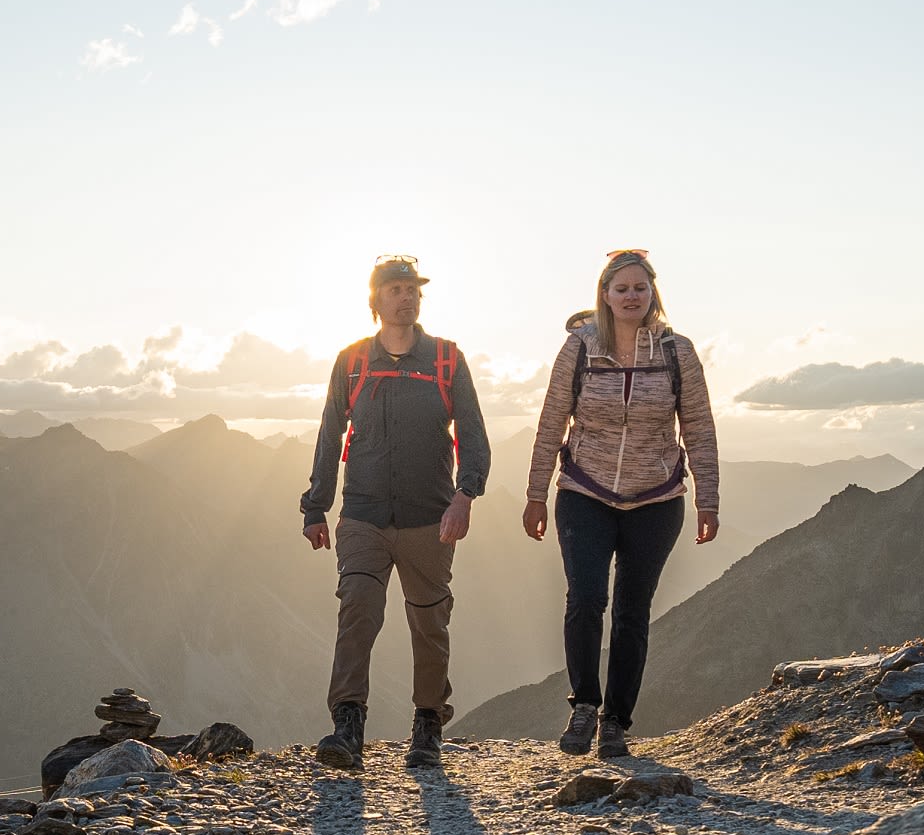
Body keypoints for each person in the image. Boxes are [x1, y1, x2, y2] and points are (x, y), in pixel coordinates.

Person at [517, 247, 718, 760]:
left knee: (632, 611)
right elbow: (551, 422)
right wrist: (535, 494)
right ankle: (584, 705)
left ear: (653, 293)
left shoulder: (678, 351)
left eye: (640, 288)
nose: (631, 296)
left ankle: (616, 722)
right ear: (604, 295)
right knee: (586, 599)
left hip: (657, 497)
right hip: (585, 491)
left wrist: (708, 500)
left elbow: (698, 426)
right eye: (621, 288)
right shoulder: (580, 348)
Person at [299, 254, 494, 771]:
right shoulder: (353, 361)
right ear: (375, 300)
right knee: (358, 609)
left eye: (412, 289)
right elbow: (329, 434)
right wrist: (316, 507)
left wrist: (464, 497)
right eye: (395, 289)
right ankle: (348, 725)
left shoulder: (447, 360)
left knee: (429, 623)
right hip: (362, 513)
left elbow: (473, 437)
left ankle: (427, 725)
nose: (406, 297)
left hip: (430, 516)